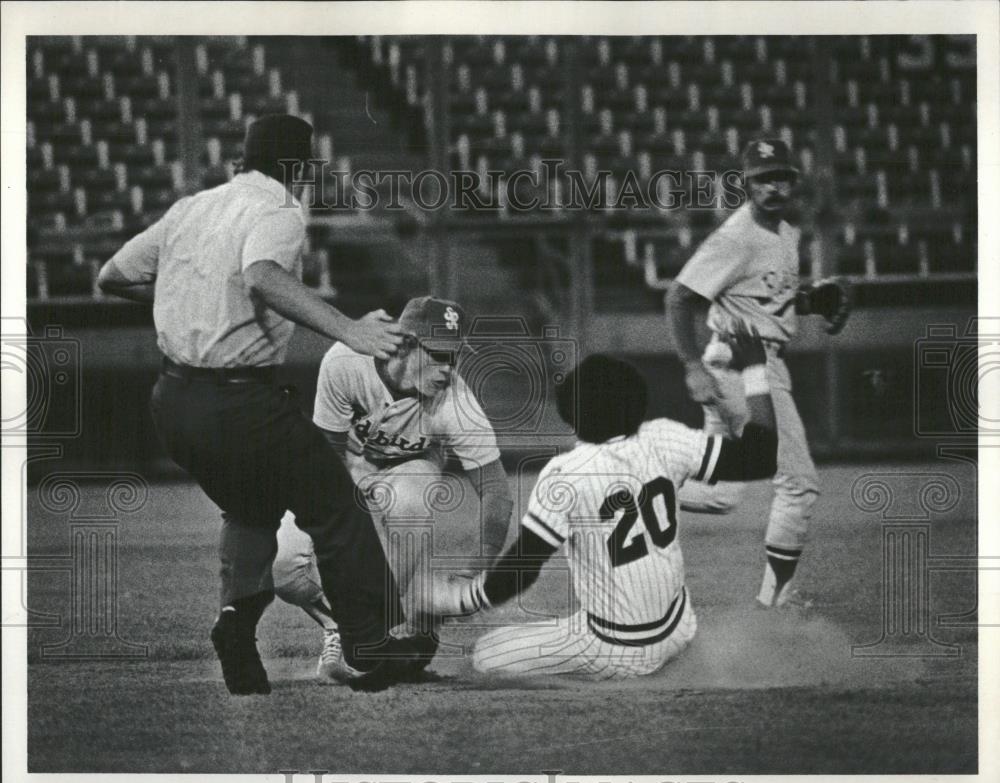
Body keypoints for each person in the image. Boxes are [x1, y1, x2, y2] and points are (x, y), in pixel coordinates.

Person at [97, 113, 424, 694]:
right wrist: (351, 331)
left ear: (240, 161)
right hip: (239, 399)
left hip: (172, 400)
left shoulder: (191, 209)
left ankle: (236, 628)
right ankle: (372, 648)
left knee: (251, 509)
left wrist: (192, 290)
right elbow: (262, 276)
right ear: (298, 168)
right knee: (336, 508)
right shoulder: (278, 209)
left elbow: (113, 275)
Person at [424, 328, 778, 680]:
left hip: (614, 647)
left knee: (488, 654)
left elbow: (523, 569)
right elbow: (762, 457)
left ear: (571, 413)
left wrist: (457, 600)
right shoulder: (663, 437)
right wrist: (755, 370)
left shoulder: (565, 473)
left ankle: (597, 677)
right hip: (679, 630)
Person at [271, 296, 514, 682]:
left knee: (411, 499)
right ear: (404, 343)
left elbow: (497, 493)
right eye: (438, 354)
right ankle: (344, 624)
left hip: (410, 471)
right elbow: (326, 459)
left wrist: (476, 568)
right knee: (282, 565)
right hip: (343, 467)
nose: (448, 369)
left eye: (455, 356)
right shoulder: (346, 362)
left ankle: (386, 620)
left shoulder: (456, 402)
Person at [665, 138, 850, 608]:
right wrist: (691, 367)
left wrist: (808, 303)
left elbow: (766, 302)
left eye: (782, 176)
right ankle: (776, 601)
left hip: (757, 358)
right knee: (799, 485)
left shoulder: (785, 234)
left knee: (723, 493)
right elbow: (680, 298)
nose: (774, 186)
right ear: (746, 184)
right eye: (763, 178)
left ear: (794, 182)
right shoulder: (736, 236)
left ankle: (631, 482)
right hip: (742, 366)